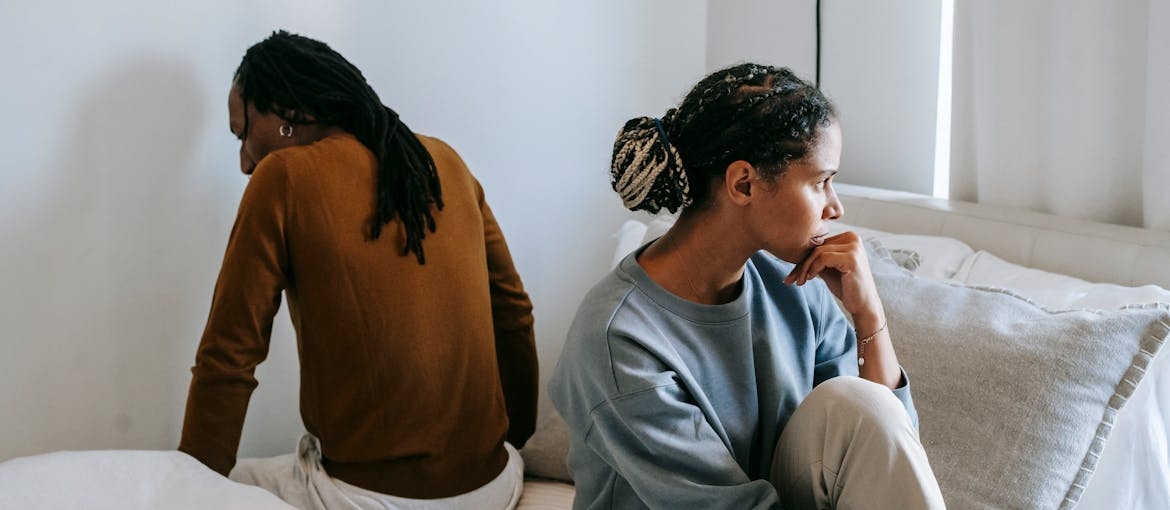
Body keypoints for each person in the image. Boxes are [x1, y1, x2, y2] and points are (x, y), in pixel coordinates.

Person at [548, 63, 945, 509]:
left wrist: (869, 315)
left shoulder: (795, 285)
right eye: (821, 182)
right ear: (743, 183)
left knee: (861, 405)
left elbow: (887, 450)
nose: (835, 207)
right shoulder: (618, 341)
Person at [178, 30, 538, 510]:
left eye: (243, 131)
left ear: (289, 111)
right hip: (496, 485)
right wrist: (507, 447)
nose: (245, 159)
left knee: (225, 477)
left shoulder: (283, 177)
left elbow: (229, 357)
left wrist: (184, 490)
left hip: (367, 499)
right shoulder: (446, 161)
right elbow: (513, 315)